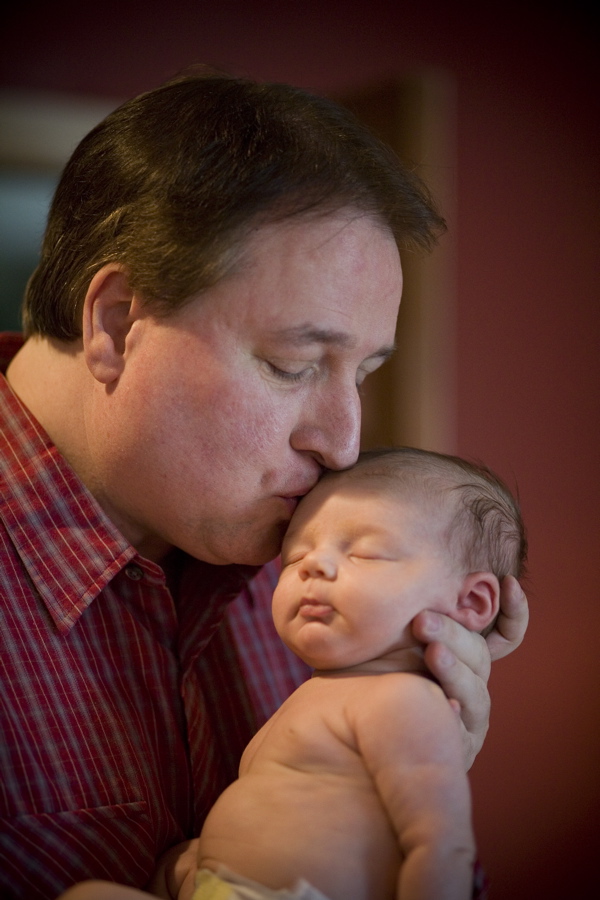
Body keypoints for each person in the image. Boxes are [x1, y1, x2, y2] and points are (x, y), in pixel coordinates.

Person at [0, 67, 528, 900]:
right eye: (293, 365)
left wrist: (400, 792)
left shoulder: (325, 567)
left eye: (363, 373)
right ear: (114, 324)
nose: (345, 445)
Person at [55, 446, 527, 900]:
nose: (313, 567)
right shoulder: (318, 691)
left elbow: (441, 847)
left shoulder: (405, 701)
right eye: (295, 558)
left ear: (471, 602)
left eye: (364, 553)